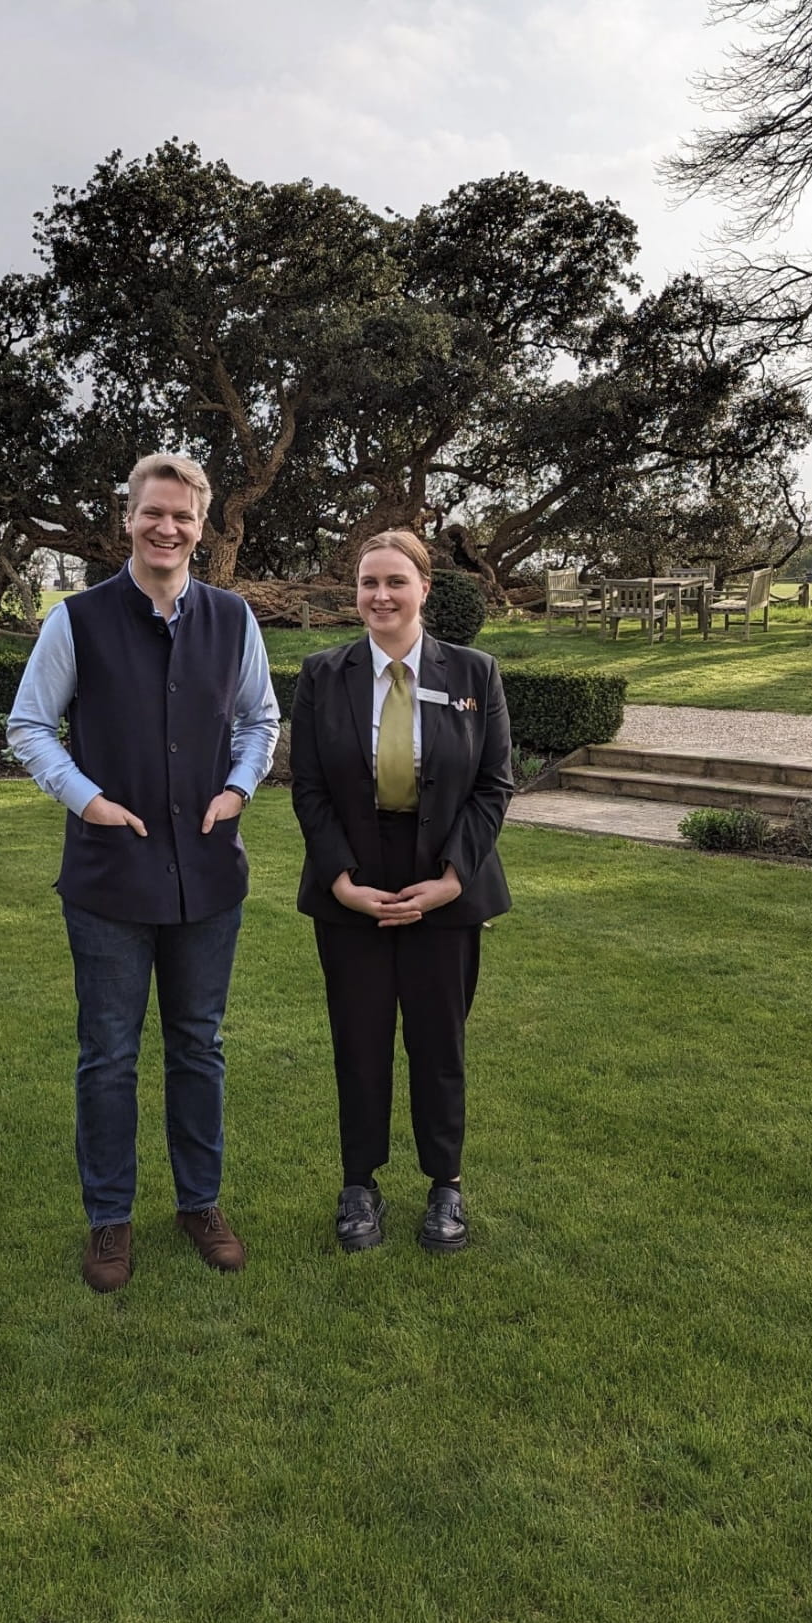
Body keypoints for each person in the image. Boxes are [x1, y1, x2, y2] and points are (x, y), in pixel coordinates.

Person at [7, 454, 280, 1292]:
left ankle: (200, 1202)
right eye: (153, 513)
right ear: (128, 518)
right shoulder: (77, 620)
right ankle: (109, 1220)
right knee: (109, 1055)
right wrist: (86, 799)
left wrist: (239, 787)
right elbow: (30, 726)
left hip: (206, 876)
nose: (168, 529)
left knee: (200, 1047)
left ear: (203, 528)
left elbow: (260, 719)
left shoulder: (233, 620)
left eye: (184, 518)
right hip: (108, 880)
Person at [290, 530, 512, 1255]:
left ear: (424, 589)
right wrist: (341, 880)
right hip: (355, 873)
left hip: (445, 875)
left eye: (394, 581)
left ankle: (444, 1185)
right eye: (367, 583)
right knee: (359, 1043)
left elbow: (493, 785)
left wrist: (452, 879)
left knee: (437, 1042)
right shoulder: (323, 674)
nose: (379, 596)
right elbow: (311, 787)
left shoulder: (475, 673)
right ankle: (360, 1185)